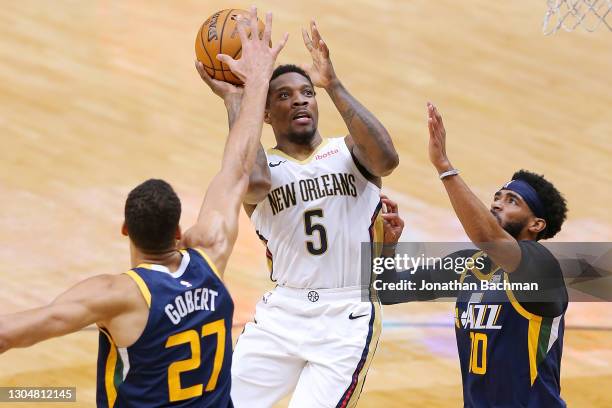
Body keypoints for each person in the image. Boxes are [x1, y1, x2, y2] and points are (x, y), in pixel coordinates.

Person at [0, 8, 287, 407]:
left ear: (125, 229)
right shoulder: (211, 254)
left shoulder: (117, 295)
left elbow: (11, 333)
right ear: (178, 232)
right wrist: (252, 86)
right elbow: (238, 169)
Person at [198, 19, 398, 408]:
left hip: (345, 314)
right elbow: (251, 182)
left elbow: (387, 159)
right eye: (284, 95)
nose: (300, 100)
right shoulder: (265, 168)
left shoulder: (350, 152)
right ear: (267, 113)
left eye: (307, 93)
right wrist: (237, 99)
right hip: (283, 311)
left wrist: (333, 85)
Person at [377, 103, 569, 407]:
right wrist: (387, 247)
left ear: (536, 224)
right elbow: (386, 291)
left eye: (512, 201)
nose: (497, 204)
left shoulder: (541, 267)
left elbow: (487, 237)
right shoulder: (468, 265)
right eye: (497, 197)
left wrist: (444, 167)